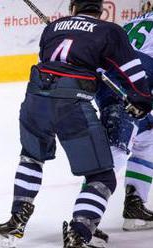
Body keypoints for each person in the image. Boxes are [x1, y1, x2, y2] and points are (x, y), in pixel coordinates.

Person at [0, 1, 152, 248]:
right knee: (102, 176)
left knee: (31, 158)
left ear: (72, 6)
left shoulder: (53, 28)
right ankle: (80, 232)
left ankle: (15, 221)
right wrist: (141, 101)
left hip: (35, 99)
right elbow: (134, 73)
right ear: (102, 9)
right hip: (72, 105)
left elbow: (52, 62)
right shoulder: (110, 31)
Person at [90, 10, 153, 246]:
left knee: (148, 135)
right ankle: (86, 219)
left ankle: (135, 204)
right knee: (116, 149)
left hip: (111, 80)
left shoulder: (134, 21)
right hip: (136, 82)